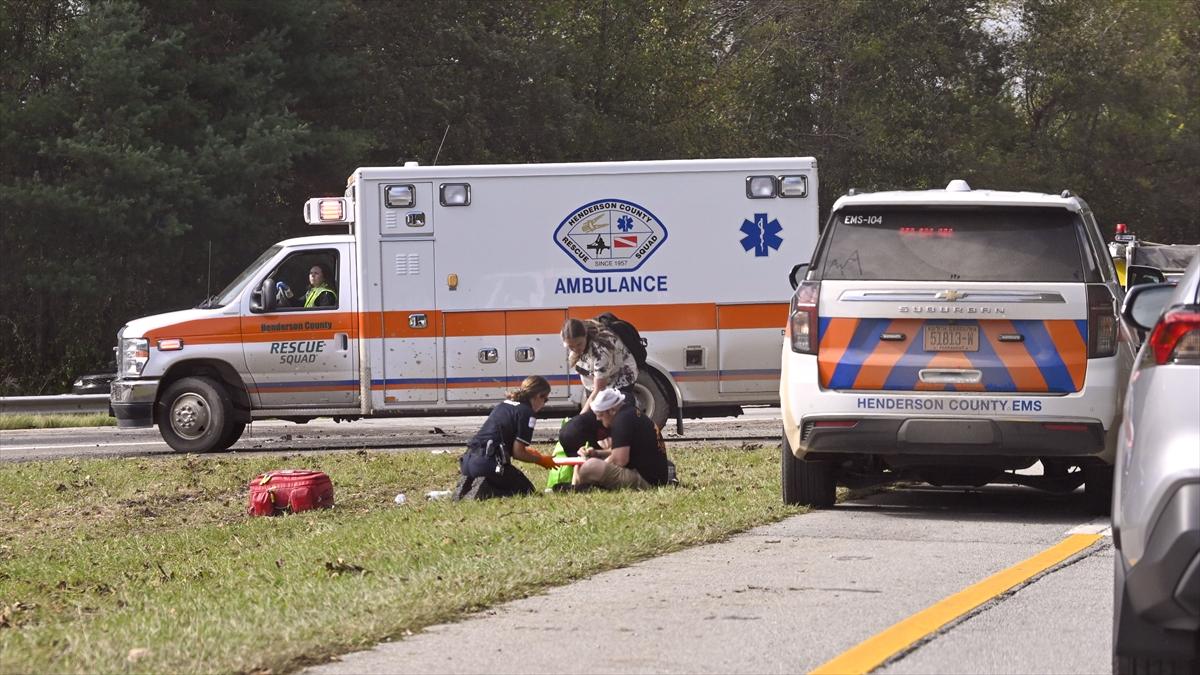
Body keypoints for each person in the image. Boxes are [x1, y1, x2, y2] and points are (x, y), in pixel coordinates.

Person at [455, 375, 558, 500]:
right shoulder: (527, 413)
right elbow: (518, 453)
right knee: (526, 490)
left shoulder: (503, 405)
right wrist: (540, 460)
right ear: (538, 396)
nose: (544, 404)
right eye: (545, 400)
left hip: (468, 461)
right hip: (488, 464)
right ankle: (485, 491)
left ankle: (467, 488)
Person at [557, 317, 638, 457]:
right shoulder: (579, 345)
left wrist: (579, 419)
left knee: (608, 421)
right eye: (571, 347)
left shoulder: (601, 350)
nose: (576, 349)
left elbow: (599, 388)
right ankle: (596, 454)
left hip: (619, 383)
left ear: (585, 336)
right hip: (598, 384)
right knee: (594, 423)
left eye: (579, 344)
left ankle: (616, 455)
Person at [572, 388, 668, 490]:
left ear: (612, 410)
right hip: (655, 477)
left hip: (647, 481)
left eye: (600, 415)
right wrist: (597, 453)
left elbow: (620, 460)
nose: (598, 419)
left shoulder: (621, 421)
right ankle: (577, 486)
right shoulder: (629, 413)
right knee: (587, 463)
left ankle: (576, 487)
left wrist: (596, 464)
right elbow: (620, 451)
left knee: (588, 467)